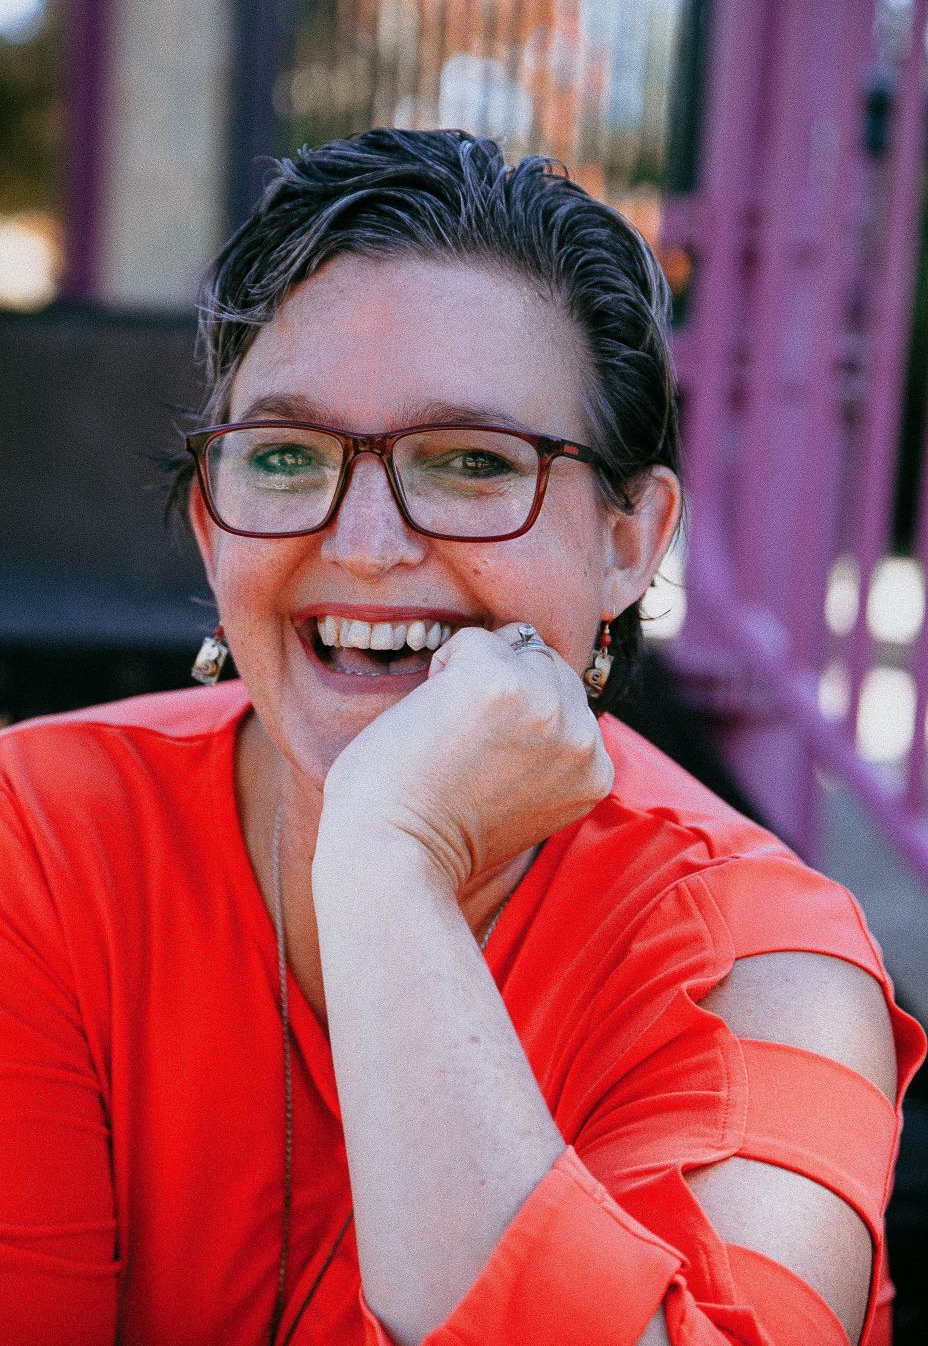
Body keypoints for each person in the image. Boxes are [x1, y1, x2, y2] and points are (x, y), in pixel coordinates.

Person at [0, 128, 923, 1346]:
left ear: (628, 543)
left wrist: (388, 865)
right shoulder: (39, 837)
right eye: (285, 456)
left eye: (473, 462)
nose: (365, 544)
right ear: (214, 528)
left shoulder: (764, 970)